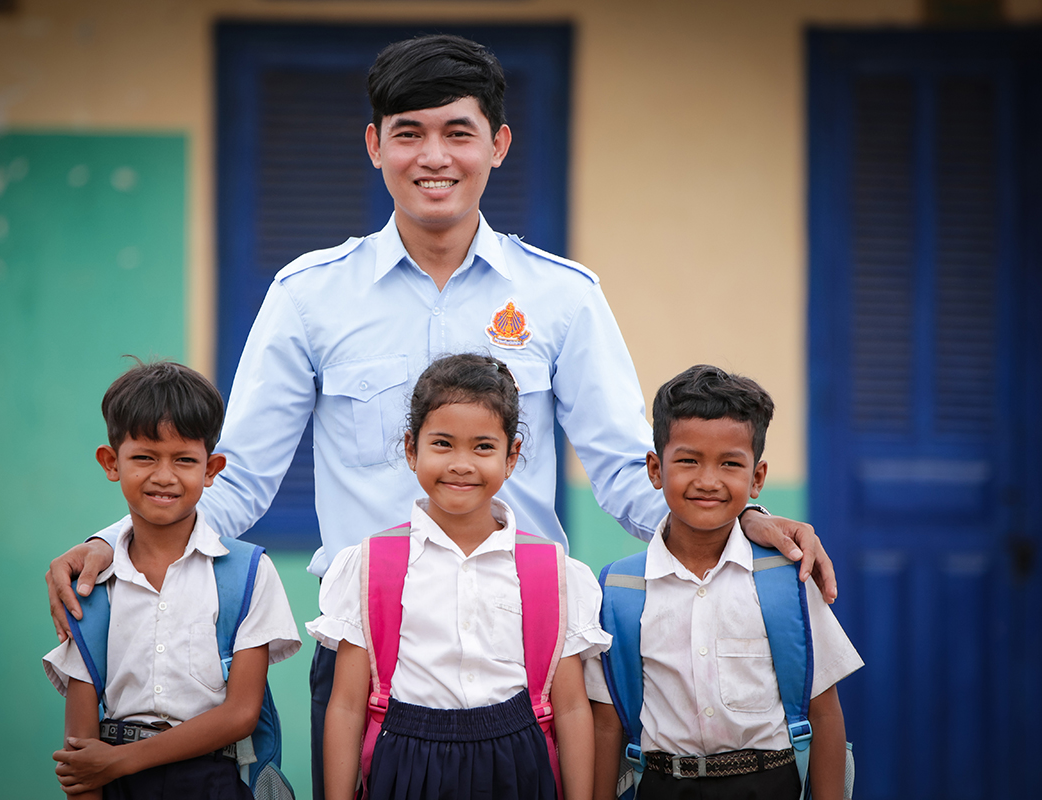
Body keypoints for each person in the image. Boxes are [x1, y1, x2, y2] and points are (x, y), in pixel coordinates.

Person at [45, 34, 837, 799]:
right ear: (374, 145)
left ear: (497, 144)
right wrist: (111, 546)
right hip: (367, 655)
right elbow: (238, 479)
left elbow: (634, 479)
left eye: (458, 132)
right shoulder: (309, 295)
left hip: (528, 658)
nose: (433, 157)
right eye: (408, 134)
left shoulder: (564, 297)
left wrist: (747, 522)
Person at [312, 353, 604, 800]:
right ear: (412, 449)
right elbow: (348, 705)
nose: (462, 464)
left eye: (483, 446)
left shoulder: (554, 572)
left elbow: (569, 708)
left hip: (517, 763)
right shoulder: (369, 565)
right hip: (406, 764)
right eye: (443, 444)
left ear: (512, 456)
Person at [588, 365, 861, 800]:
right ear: (656, 470)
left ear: (757, 478)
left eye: (730, 463)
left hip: (770, 783)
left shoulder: (788, 579)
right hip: (661, 785)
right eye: (688, 460)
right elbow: (606, 723)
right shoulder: (619, 590)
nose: (708, 480)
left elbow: (824, 713)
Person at [42, 359, 301, 799]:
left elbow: (241, 714)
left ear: (211, 469)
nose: (164, 476)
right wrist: (105, 768)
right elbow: (80, 750)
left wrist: (119, 760)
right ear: (111, 462)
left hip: (212, 781)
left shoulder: (248, 573)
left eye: (184, 459)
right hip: (117, 784)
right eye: (144, 457)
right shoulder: (89, 584)